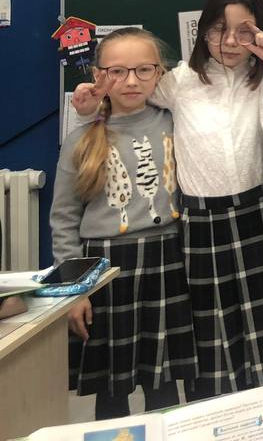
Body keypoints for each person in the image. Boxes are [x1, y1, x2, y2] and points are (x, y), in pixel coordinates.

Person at [69, 0, 263, 398]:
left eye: (243, 31)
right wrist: (90, 107)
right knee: (209, 323)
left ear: (260, 30)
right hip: (200, 220)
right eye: (218, 29)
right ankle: (215, 413)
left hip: (257, 214)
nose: (230, 42)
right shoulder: (181, 81)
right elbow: (128, 91)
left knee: (262, 318)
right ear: (203, 31)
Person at [57, 28, 195, 419]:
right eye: (117, 71)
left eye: (143, 69)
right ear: (98, 76)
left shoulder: (177, 122)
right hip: (105, 270)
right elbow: (64, 219)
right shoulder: (82, 139)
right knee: (111, 388)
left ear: (160, 73)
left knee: (164, 383)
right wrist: (74, 290)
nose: (131, 81)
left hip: (167, 261)